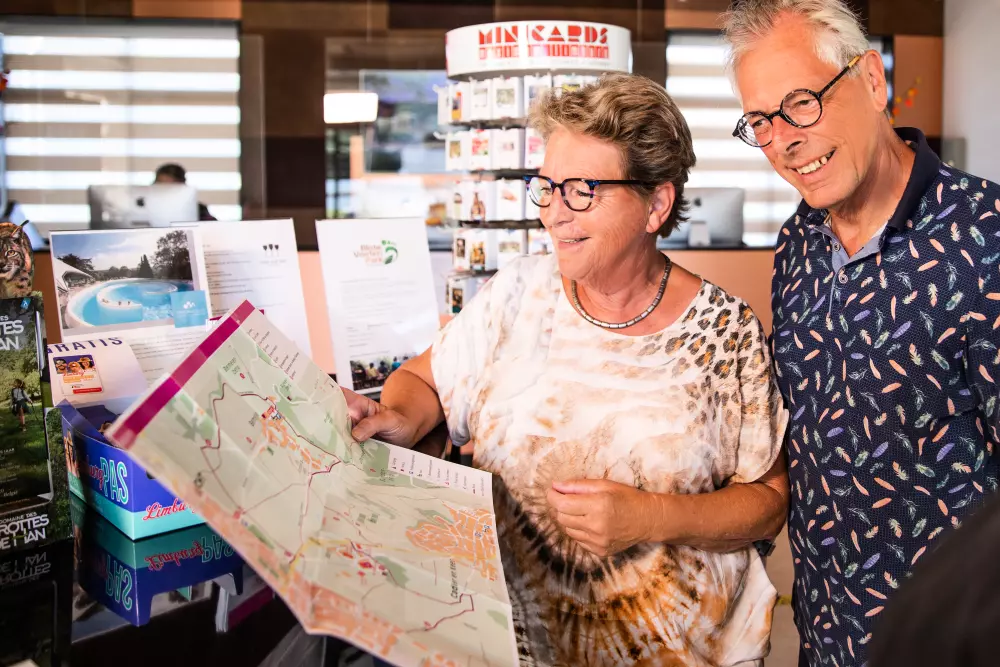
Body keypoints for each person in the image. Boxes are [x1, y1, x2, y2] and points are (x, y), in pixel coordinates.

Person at [345, 74, 790, 666]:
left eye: (582, 190)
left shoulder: (724, 332)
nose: (555, 214)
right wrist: (402, 417)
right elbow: (425, 379)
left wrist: (649, 517)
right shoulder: (517, 295)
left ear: (656, 204)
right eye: (548, 187)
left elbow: (767, 503)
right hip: (511, 647)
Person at [721, 1, 1000, 665]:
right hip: (824, 633)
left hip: (947, 641)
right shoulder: (797, 243)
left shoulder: (986, 237)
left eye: (802, 103)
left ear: (872, 81)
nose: (783, 140)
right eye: (760, 121)